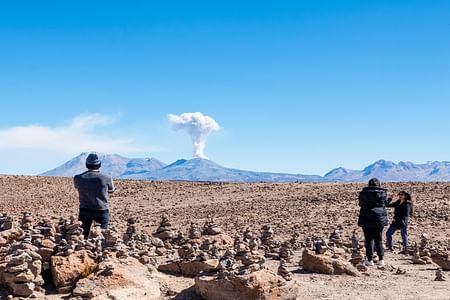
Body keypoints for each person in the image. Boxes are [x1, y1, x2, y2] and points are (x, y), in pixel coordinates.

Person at [74, 153, 115, 237]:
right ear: (99, 165)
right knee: (103, 235)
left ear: (86, 164)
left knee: (83, 235)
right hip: (101, 209)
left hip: (85, 209)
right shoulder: (106, 177)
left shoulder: (78, 178)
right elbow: (111, 190)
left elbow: (77, 188)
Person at [358, 178, 389, 267]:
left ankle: (369, 259)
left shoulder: (363, 193)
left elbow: (360, 204)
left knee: (368, 239)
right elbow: (385, 204)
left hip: (366, 217)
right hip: (379, 219)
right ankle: (381, 259)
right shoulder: (383, 193)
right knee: (378, 239)